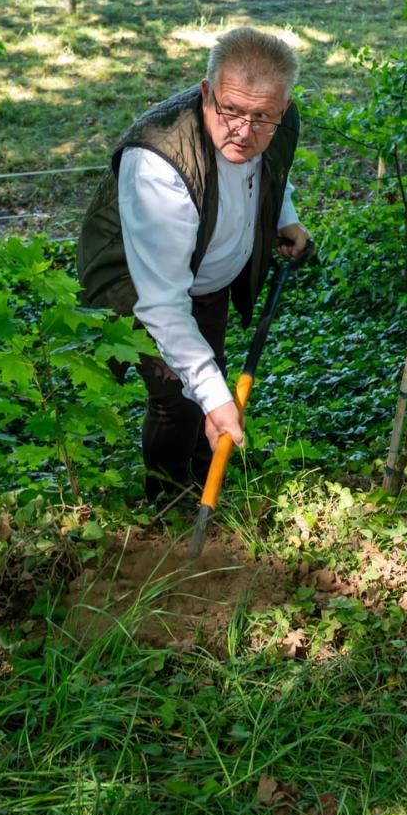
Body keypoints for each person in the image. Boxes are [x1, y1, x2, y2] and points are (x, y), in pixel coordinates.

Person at [77, 26, 312, 505]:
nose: (244, 131)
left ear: (282, 108)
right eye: (231, 110)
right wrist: (214, 396)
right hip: (138, 283)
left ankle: (210, 487)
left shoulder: (278, 124)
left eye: (262, 116)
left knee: (209, 377)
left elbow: (271, 176)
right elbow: (161, 301)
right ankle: (167, 504)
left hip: (206, 278)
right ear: (207, 93)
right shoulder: (158, 162)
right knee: (177, 398)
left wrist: (284, 219)